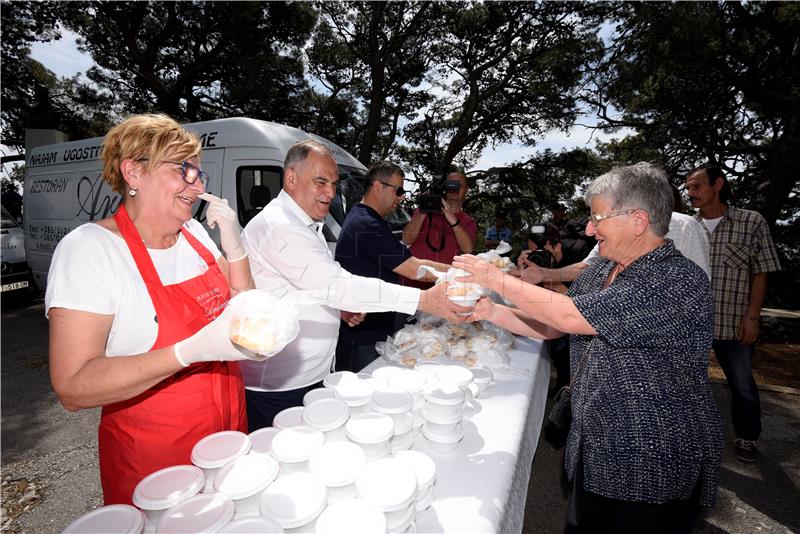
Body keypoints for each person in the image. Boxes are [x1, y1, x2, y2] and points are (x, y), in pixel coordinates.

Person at [454, 163, 722, 533]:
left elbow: (568, 315)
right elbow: (550, 324)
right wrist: (491, 310)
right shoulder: (602, 269)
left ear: (638, 220)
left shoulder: (677, 280)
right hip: (597, 449)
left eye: (598, 218)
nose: (589, 229)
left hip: (651, 461)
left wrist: (492, 277)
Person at [46, 114, 257, 505]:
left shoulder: (195, 235)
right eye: (184, 170)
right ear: (133, 173)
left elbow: (246, 301)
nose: (197, 183)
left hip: (228, 436)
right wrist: (187, 352)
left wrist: (235, 241)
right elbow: (73, 386)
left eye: (200, 173)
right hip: (156, 465)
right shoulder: (91, 250)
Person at [241, 140, 465, 431]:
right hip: (280, 386)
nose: (331, 193)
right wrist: (424, 300)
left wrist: (338, 310)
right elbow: (336, 283)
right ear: (291, 179)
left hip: (308, 375)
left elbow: (311, 285)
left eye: (334, 184)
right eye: (320, 182)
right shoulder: (280, 226)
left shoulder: (303, 222)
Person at [686, 163, 781, 463]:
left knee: (742, 386)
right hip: (692, 325)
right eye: (688, 187)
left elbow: (761, 271)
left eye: (697, 186)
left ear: (718, 185)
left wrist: (752, 317)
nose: (691, 193)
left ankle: (747, 437)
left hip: (733, 322)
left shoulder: (751, 222)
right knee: (688, 386)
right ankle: (692, 439)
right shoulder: (686, 227)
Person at [334, 161, 451, 372]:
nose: (402, 197)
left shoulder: (369, 220)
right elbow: (414, 269)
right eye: (398, 190)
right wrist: (460, 272)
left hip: (370, 329)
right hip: (362, 336)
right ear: (378, 187)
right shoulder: (366, 224)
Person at [400, 171, 477, 288]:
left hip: (442, 286)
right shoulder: (424, 211)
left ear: (466, 190)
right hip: (410, 283)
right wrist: (423, 210)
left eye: (458, 185)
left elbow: (468, 250)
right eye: (450, 184)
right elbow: (406, 239)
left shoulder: (468, 222)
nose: (454, 188)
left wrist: (453, 220)